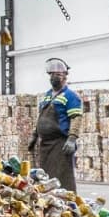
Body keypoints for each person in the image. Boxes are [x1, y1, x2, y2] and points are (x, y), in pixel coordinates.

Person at [28, 58, 83, 192]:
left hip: (60, 145)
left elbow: (76, 118)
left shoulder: (71, 96)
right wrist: (35, 135)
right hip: (46, 145)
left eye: (58, 75)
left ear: (65, 76)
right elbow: (41, 116)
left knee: (62, 178)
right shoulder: (47, 95)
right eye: (52, 75)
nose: (54, 77)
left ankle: (67, 205)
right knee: (45, 178)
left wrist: (72, 139)